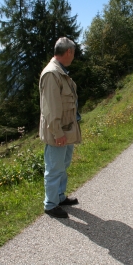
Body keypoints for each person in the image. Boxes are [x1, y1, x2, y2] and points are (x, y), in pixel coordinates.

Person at [39, 37, 82, 218]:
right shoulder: (52, 74)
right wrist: (57, 133)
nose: (74, 56)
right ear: (68, 52)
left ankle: (59, 196)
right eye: (73, 53)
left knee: (63, 165)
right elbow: (50, 108)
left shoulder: (60, 72)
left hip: (67, 129)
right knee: (54, 167)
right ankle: (50, 205)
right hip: (58, 131)